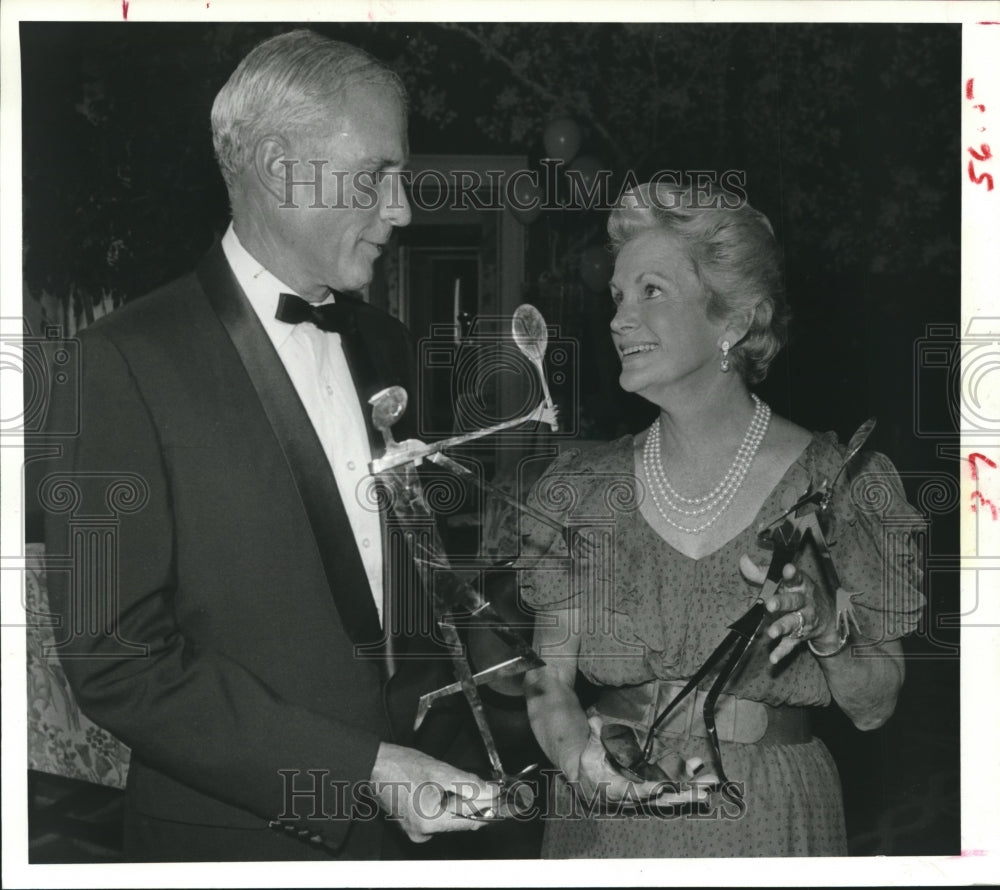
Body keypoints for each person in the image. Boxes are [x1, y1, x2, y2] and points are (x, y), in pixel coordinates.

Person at [42, 29, 494, 862]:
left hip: (416, 835)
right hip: (234, 842)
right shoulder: (115, 364)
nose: (402, 209)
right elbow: (113, 659)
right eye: (377, 176)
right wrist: (358, 768)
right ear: (284, 167)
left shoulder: (390, 347)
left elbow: (414, 593)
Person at [520, 180, 925, 857]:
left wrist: (829, 629)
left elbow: (875, 704)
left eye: (651, 291)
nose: (619, 318)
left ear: (732, 322)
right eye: (617, 296)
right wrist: (580, 765)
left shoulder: (840, 485)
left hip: (766, 820)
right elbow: (546, 677)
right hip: (608, 817)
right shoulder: (580, 490)